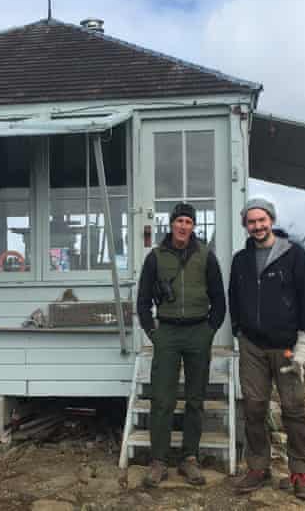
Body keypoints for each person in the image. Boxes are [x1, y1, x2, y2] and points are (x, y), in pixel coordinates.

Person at [228, 198, 305, 500]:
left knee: (293, 409)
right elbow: (234, 297)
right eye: (251, 222)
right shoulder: (241, 260)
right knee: (254, 408)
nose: (257, 226)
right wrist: (237, 331)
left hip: (288, 347)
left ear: (271, 220)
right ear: (246, 225)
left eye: (261, 220)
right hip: (252, 345)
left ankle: (301, 473)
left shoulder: (295, 256)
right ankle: (258, 468)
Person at [136, 202, 226, 487]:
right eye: (179, 221)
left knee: (195, 399)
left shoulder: (207, 258)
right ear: (171, 224)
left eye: (188, 221)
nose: (183, 226)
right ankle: (159, 461)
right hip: (168, 334)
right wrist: (153, 332)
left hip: (198, 331)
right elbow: (142, 301)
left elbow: (219, 300)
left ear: (193, 226)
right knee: (162, 399)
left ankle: (190, 459)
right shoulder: (155, 258)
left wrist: (209, 331)